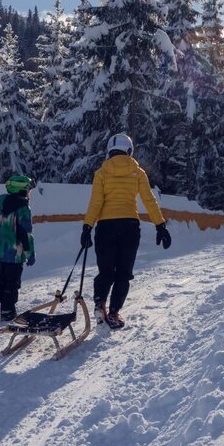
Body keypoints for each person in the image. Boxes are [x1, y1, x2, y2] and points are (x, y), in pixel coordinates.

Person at [81, 133, 171, 329]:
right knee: (123, 272)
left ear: (109, 151)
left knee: (106, 270)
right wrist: (160, 225)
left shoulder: (101, 173)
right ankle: (113, 313)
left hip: (105, 227)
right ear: (129, 150)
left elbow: (96, 203)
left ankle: (99, 303)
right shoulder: (138, 172)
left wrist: (87, 226)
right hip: (129, 227)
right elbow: (149, 200)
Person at [0, 174, 37, 321]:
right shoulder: (23, 208)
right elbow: (25, 232)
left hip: (1, 251)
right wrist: (30, 253)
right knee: (12, 282)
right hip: (16, 253)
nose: (29, 193)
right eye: (28, 190)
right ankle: (7, 312)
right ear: (22, 190)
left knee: (1, 277)